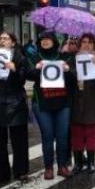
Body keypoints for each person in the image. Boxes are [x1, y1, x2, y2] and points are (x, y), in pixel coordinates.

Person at [27, 31, 76, 180]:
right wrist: (37, 68)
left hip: (62, 102)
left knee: (62, 136)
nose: (45, 41)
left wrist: (67, 70)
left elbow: (74, 79)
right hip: (42, 102)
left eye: (48, 39)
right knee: (47, 136)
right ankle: (48, 167)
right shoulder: (34, 57)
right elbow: (27, 75)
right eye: (42, 39)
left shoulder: (65, 57)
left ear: (54, 41)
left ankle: (62, 166)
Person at [0, 32, 30, 183]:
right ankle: (1, 172)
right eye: (1, 39)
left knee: (19, 140)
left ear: (13, 42)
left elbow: (22, 81)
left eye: (6, 39)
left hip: (15, 101)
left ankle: (21, 171)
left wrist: (15, 70)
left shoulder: (20, 58)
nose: (3, 41)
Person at [70, 34, 95, 174]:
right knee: (76, 133)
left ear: (94, 45)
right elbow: (66, 78)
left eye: (90, 42)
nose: (86, 45)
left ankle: (91, 162)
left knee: (91, 132)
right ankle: (78, 163)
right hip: (76, 101)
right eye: (83, 42)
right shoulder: (73, 59)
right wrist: (73, 74)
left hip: (93, 101)